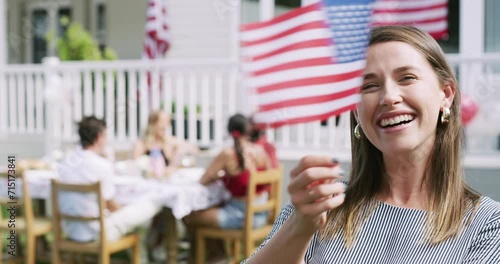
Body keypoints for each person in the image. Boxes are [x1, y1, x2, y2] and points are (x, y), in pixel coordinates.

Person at [244, 26, 500, 263]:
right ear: (356, 112)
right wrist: (297, 230)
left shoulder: (487, 224)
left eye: (407, 77)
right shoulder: (320, 206)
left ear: (446, 95)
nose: (388, 97)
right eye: (369, 85)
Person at [57, 116, 162, 243]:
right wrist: (126, 211)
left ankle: (143, 251)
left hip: (70, 229)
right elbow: (111, 205)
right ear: (100, 137)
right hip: (97, 232)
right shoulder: (101, 165)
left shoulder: (65, 162)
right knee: (154, 203)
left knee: (130, 214)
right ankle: (149, 250)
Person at [184, 113, 272, 261]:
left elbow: (204, 180)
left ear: (231, 132)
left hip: (242, 215)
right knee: (209, 211)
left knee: (189, 215)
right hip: (263, 213)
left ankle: (213, 256)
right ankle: (216, 255)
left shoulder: (228, 153)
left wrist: (218, 176)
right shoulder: (260, 151)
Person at [132, 110, 198, 178]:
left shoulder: (170, 141)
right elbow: (135, 166)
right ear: (152, 123)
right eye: (162, 122)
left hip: (165, 180)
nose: (166, 125)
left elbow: (194, 149)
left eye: (168, 122)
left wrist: (174, 162)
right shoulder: (141, 144)